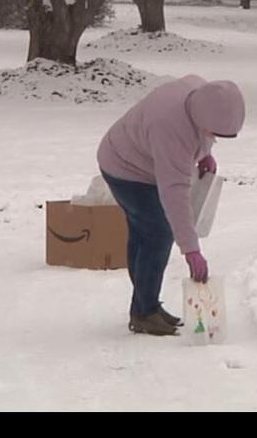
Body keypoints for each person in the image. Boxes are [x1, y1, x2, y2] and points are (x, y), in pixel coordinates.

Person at [97, 76, 246, 336]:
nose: (214, 137)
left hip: (139, 156)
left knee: (144, 234)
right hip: (125, 168)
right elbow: (174, 193)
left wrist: (204, 153)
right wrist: (191, 250)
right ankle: (144, 312)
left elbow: (201, 130)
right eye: (214, 134)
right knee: (158, 233)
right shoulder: (169, 129)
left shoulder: (200, 93)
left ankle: (146, 304)